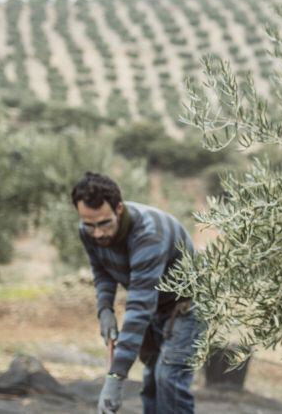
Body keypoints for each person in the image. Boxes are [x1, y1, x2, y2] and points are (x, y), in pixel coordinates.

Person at [71, 172, 205, 414]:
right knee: (152, 382)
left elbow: (139, 308)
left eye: (103, 223)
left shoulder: (148, 235)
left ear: (119, 209)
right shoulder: (88, 230)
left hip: (186, 307)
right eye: (89, 224)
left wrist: (115, 378)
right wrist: (105, 309)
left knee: (169, 380)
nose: (97, 233)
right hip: (156, 307)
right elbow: (102, 270)